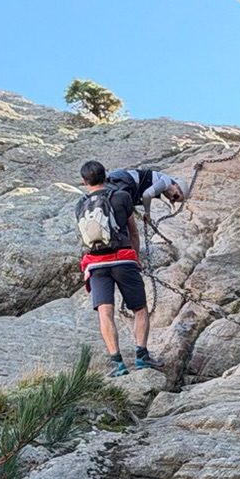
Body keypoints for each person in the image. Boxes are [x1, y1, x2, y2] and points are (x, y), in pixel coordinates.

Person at [76, 159, 162, 377]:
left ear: (84, 181)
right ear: (106, 176)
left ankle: (118, 363)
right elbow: (132, 231)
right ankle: (142, 357)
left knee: (105, 313)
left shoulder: (79, 205)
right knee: (140, 309)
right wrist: (136, 257)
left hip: (96, 265)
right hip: (123, 260)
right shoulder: (122, 197)